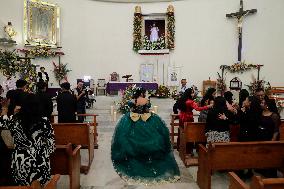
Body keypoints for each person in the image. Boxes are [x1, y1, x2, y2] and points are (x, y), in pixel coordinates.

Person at [111, 87, 180, 184]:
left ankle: (135, 157)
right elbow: (147, 108)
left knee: (130, 139)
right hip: (146, 119)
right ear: (143, 93)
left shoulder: (133, 100)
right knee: (156, 138)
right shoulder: (145, 100)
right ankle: (149, 158)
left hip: (133, 120)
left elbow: (131, 107)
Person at [0, 94, 55, 186]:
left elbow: (2, 122)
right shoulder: (45, 122)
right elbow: (51, 145)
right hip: (40, 160)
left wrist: (5, 108)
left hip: (20, 161)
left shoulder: (14, 120)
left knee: (22, 185)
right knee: (40, 185)